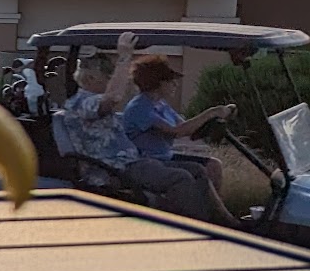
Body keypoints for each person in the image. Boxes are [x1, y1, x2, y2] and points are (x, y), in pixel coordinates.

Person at [60, 33, 237, 227]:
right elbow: (114, 97)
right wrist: (125, 56)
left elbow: (185, 128)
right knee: (180, 178)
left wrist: (212, 117)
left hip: (132, 162)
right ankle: (195, 231)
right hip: (114, 169)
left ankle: (220, 223)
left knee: (198, 170)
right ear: (91, 77)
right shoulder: (81, 103)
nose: (112, 82)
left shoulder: (95, 103)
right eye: (109, 77)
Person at [121, 55, 234, 190]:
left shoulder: (161, 104)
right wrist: (211, 112)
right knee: (198, 169)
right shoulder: (139, 108)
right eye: (170, 80)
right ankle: (203, 203)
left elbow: (187, 127)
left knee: (214, 165)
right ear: (156, 82)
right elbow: (176, 131)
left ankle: (210, 203)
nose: (175, 84)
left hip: (165, 158)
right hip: (147, 163)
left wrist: (211, 120)